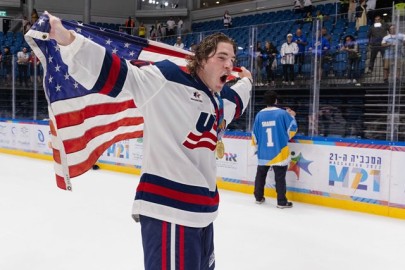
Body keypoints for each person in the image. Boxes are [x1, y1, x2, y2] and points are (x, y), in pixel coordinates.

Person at [46, 11, 252, 270]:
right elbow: (121, 73)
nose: (228, 65)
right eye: (221, 57)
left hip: (204, 215)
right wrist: (70, 41)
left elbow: (238, 98)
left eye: (232, 59)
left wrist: (247, 81)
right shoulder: (167, 79)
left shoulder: (218, 102)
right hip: (170, 211)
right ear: (200, 60)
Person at [252, 90, 298, 207]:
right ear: (276, 100)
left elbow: (254, 135)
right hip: (279, 151)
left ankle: (258, 197)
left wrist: (257, 148)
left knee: (260, 175)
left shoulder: (259, 115)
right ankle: (281, 201)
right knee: (280, 177)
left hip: (263, 151)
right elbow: (292, 130)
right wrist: (292, 115)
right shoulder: (282, 114)